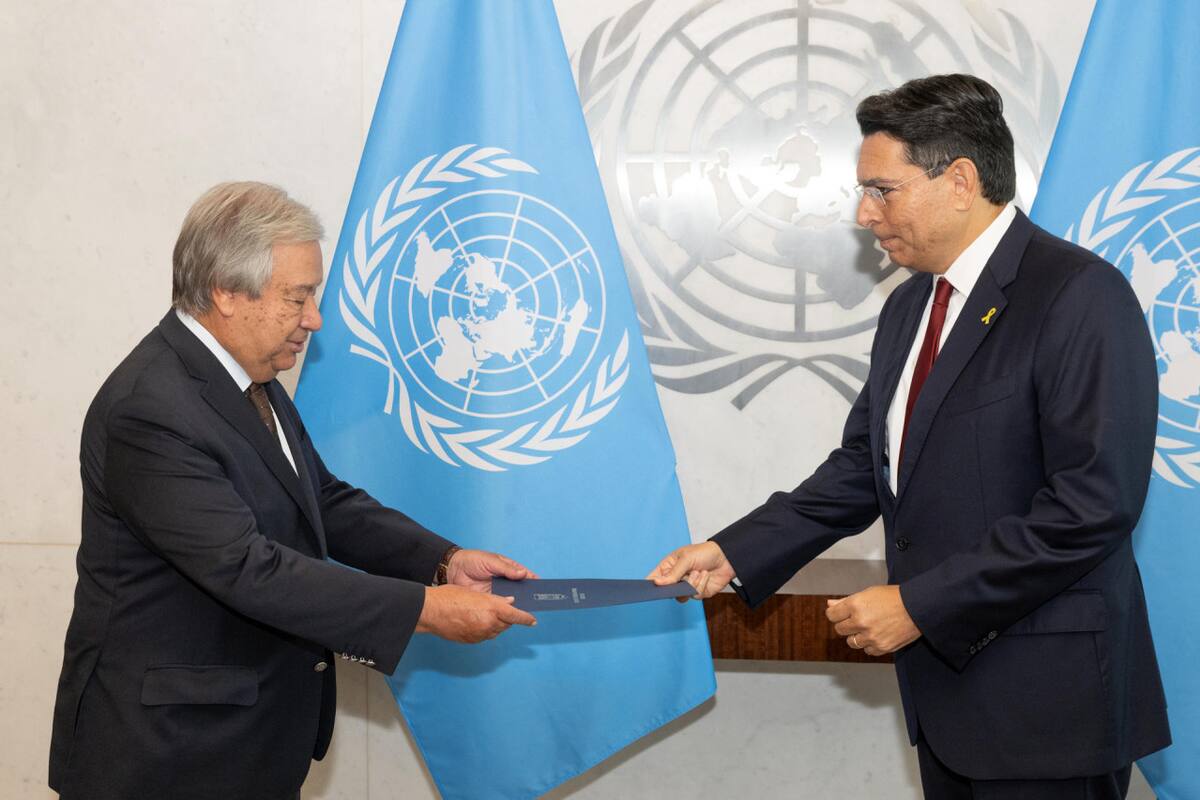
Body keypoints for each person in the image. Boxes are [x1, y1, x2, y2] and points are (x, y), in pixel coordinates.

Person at [651, 74, 1170, 798]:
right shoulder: (909, 309)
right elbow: (867, 466)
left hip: (1046, 708)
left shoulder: (1078, 294)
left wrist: (920, 605)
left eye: (882, 189)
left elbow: (1092, 506)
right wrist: (734, 551)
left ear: (960, 180)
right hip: (946, 700)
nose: (864, 213)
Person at [48, 182, 538, 800]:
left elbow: (321, 501)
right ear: (226, 290)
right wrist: (423, 611)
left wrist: (442, 563)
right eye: (298, 297)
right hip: (167, 757)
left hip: (245, 743)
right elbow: (247, 568)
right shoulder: (150, 408)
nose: (314, 319)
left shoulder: (249, 377)